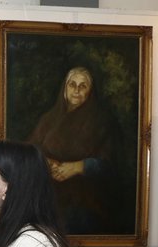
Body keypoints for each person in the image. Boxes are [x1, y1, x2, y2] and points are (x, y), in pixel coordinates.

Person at [27, 66, 125, 235]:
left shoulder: (103, 122)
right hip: (49, 199)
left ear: (90, 92)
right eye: (72, 84)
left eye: (83, 86)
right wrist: (46, 162)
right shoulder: (48, 119)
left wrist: (78, 167)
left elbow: (111, 165)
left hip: (86, 203)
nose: (77, 90)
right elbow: (29, 150)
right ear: (65, 89)